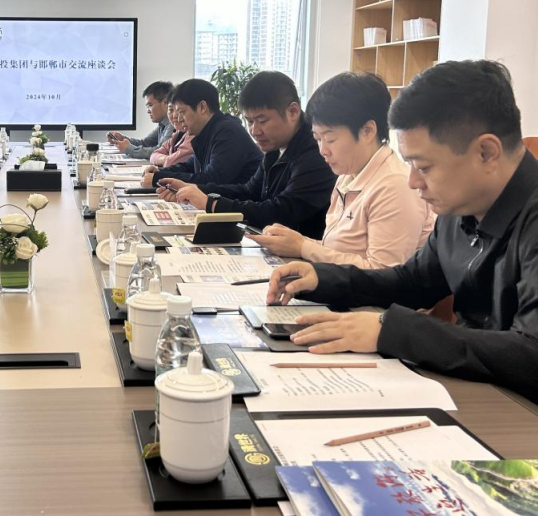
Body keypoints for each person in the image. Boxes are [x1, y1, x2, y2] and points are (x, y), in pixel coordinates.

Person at [267, 60, 538, 403]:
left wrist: (390, 331)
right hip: (476, 388)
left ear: (486, 152)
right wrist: (323, 279)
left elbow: (530, 353)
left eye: (423, 166)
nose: (413, 181)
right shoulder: (461, 205)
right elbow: (412, 282)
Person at [250, 72, 434, 268]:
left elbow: (384, 272)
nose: (323, 150)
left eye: (330, 139)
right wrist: (296, 242)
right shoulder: (347, 175)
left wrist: (303, 247)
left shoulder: (395, 185)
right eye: (317, 139)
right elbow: (339, 250)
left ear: (367, 131)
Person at [157, 71, 335, 239]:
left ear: (293, 112)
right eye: (249, 121)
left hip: (301, 253)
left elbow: (282, 212)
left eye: (262, 121)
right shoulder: (276, 147)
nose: (255, 131)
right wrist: (194, 190)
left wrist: (210, 203)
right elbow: (249, 191)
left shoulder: (316, 152)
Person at [139, 78, 261, 188]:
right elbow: (190, 166)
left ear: (202, 107)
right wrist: (160, 172)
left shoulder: (227, 132)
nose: (179, 119)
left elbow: (211, 179)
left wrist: (158, 179)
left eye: (182, 112)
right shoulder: (206, 132)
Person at [107, 81, 175, 159]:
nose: (148, 111)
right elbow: (145, 143)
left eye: (150, 105)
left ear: (165, 102)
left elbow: (160, 152)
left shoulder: (173, 124)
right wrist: (123, 139)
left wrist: (128, 149)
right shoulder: (162, 124)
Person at [149, 99, 194, 168]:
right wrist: (167, 159)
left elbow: (171, 163)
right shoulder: (176, 134)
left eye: (180, 111)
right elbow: (153, 155)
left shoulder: (193, 135)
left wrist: (167, 159)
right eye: (171, 110)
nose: (175, 115)